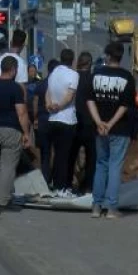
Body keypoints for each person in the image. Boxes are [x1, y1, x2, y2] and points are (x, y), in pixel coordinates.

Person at [85, 42, 136, 219]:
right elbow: (125, 105)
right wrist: (111, 123)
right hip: (119, 128)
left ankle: (96, 206)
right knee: (115, 166)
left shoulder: (96, 75)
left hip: (100, 129)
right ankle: (111, 207)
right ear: (121, 56)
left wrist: (99, 122)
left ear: (107, 55)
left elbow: (89, 100)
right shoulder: (127, 77)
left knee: (101, 164)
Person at [0, 56, 30, 208]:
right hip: (11, 130)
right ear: (14, 70)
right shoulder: (15, 88)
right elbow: (21, 112)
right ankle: (3, 200)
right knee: (8, 166)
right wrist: (26, 133)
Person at [46, 49, 79, 196]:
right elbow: (70, 96)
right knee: (65, 155)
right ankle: (62, 188)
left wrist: (49, 105)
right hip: (67, 119)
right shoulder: (74, 75)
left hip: (52, 118)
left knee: (56, 154)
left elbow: (47, 92)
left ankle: (55, 184)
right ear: (72, 60)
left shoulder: (53, 73)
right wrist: (59, 105)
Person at [67, 51, 97, 195]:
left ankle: (67, 184)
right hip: (90, 122)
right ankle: (88, 186)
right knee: (92, 157)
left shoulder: (73, 77)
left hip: (73, 121)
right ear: (90, 64)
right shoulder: (94, 79)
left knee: (71, 155)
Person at [33, 59, 59, 185]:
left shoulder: (41, 84)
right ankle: (55, 178)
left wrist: (35, 118)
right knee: (58, 151)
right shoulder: (60, 84)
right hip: (57, 120)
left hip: (43, 119)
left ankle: (45, 179)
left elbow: (35, 102)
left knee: (45, 152)